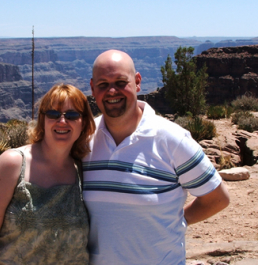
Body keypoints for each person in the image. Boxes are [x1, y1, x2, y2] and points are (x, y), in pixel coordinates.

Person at [83, 50, 230, 265]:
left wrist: (178, 221)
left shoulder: (172, 139)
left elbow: (218, 198)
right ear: (93, 88)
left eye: (121, 82)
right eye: (103, 84)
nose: (112, 91)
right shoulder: (84, 139)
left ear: (137, 82)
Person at [0, 83, 96, 265]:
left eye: (72, 115)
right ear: (42, 119)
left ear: (83, 122)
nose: (62, 121)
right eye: (53, 114)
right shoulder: (13, 164)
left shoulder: (83, 170)